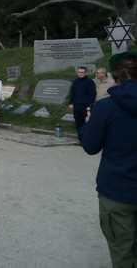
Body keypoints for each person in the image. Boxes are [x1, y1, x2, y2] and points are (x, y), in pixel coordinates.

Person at [78, 51, 137, 268]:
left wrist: (87, 123)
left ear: (114, 76)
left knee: (123, 251)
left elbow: (91, 146)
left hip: (117, 190)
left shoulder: (105, 107)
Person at [69, 66, 97, 131]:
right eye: (79, 72)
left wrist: (89, 106)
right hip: (76, 106)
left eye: (82, 72)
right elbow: (72, 93)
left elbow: (92, 95)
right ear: (77, 73)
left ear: (86, 73)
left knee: (86, 123)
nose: (80, 73)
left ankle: (86, 138)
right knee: (78, 123)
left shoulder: (90, 82)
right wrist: (71, 103)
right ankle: (80, 137)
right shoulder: (75, 81)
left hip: (85, 107)